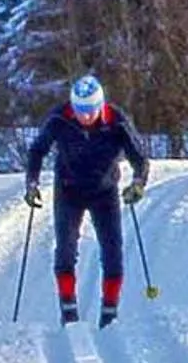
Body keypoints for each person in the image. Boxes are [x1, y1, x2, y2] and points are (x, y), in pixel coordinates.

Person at [24, 74, 150, 328]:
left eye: (91, 110)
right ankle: (68, 311)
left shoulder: (116, 121)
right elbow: (37, 150)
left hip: (104, 191)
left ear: (100, 105)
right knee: (66, 249)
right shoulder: (60, 118)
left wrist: (138, 183)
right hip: (68, 190)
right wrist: (32, 183)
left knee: (112, 251)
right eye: (80, 110)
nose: (86, 116)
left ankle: (109, 312)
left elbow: (139, 158)